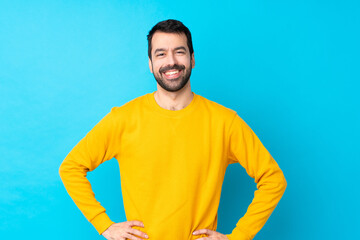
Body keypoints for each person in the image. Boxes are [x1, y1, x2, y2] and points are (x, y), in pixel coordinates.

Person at [59, 19, 287, 240]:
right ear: (150, 64)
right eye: (161, 53)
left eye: (179, 51)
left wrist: (239, 236)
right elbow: (71, 168)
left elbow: (273, 179)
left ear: (192, 59)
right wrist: (104, 224)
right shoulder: (123, 119)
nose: (171, 61)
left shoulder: (224, 122)